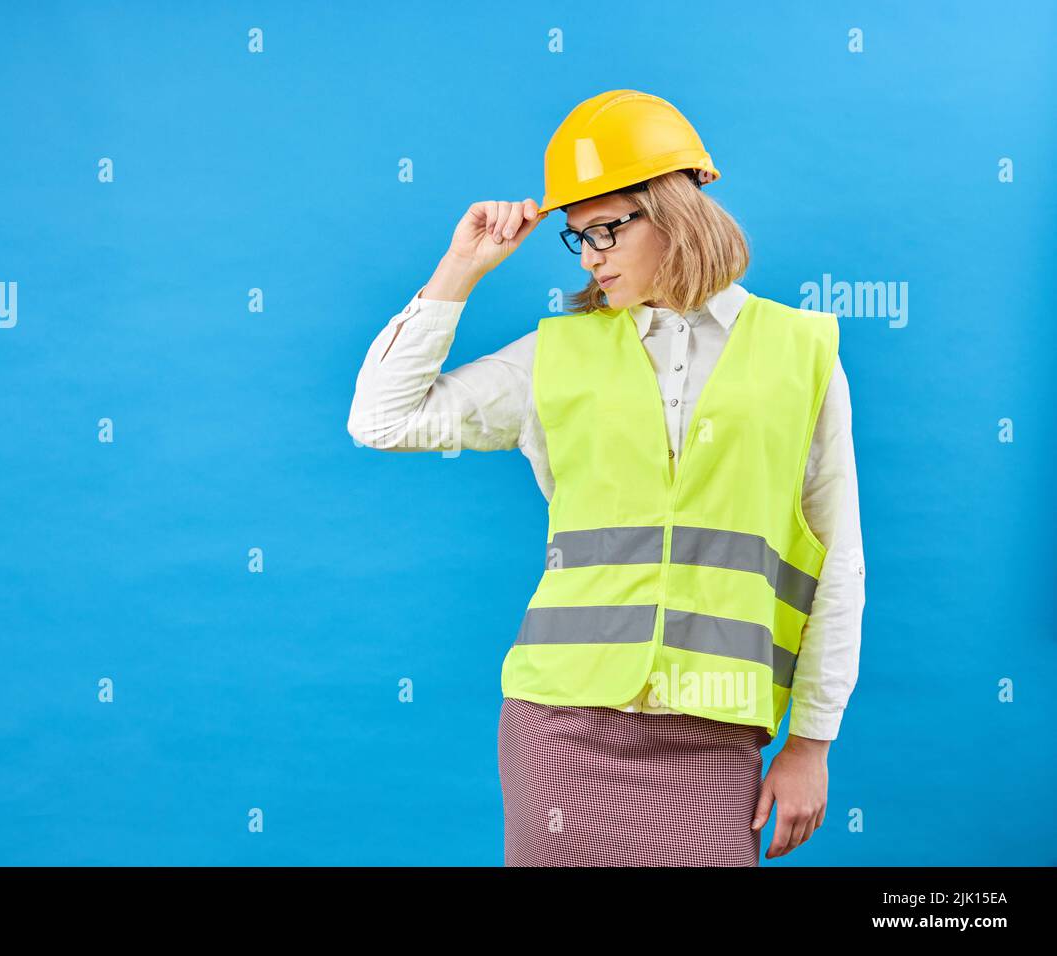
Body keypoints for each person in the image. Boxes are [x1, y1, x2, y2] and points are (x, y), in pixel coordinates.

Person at [347, 90, 864, 866]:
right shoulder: (556, 354)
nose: (588, 256)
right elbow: (381, 420)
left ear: (677, 211)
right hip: (559, 724)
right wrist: (462, 267)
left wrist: (811, 746)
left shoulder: (803, 351)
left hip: (717, 728)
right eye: (575, 237)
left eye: (606, 229)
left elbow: (839, 560)